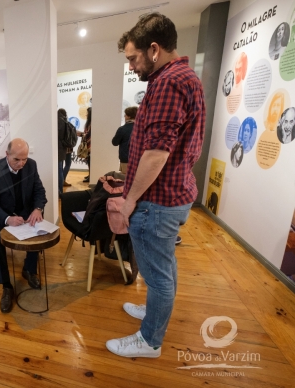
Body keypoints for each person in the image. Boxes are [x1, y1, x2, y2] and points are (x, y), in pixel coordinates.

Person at [107, 13, 205, 359]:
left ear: (153, 49)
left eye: (133, 58)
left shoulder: (167, 82)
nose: (131, 66)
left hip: (157, 201)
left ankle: (149, 340)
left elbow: (156, 153)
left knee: (159, 276)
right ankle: (154, 314)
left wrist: (129, 200)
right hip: (171, 197)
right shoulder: (183, 77)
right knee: (165, 268)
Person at [0, 139, 47, 313]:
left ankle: (29, 269)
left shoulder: (31, 166)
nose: (21, 164)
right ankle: (6, 285)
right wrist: (7, 219)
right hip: (1, 214)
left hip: (25, 211)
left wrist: (38, 208)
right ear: (7, 154)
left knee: (37, 229)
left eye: (24, 159)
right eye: (16, 160)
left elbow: (39, 191)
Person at [112, 106, 138, 174]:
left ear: (129, 116)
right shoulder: (141, 128)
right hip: (139, 158)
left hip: (125, 158)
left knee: (125, 179)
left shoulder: (122, 129)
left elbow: (114, 143)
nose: (124, 116)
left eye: (125, 114)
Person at [57, 109, 72, 193]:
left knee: (59, 171)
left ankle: (59, 190)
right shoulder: (64, 121)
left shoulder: (57, 121)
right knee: (60, 170)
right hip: (63, 149)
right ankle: (60, 189)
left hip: (59, 149)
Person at [80, 107, 92, 182]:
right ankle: (90, 175)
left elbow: (89, 134)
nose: (86, 114)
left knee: (90, 161)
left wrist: (83, 135)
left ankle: (91, 176)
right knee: (88, 161)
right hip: (87, 144)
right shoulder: (89, 123)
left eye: (87, 113)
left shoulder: (91, 123)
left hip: (90, 145)